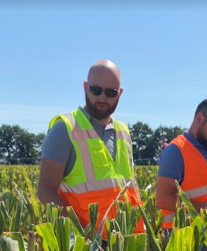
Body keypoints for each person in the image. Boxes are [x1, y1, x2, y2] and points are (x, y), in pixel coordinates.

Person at [37, 59, 143, 234]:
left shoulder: (123, 131)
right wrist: (81, 235)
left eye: (110, 92)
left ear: (120, 93)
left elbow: (130, 185)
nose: (102, 97)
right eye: (96, 90)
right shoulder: (65, 128)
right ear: (85, 87)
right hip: (90, 245)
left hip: (127, 241)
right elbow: (45, 192)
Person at [155, 97, 207, 231]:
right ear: (199, 117)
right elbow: (162, 199)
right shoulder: (175, 151)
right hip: (186, 238)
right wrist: (205, 209)